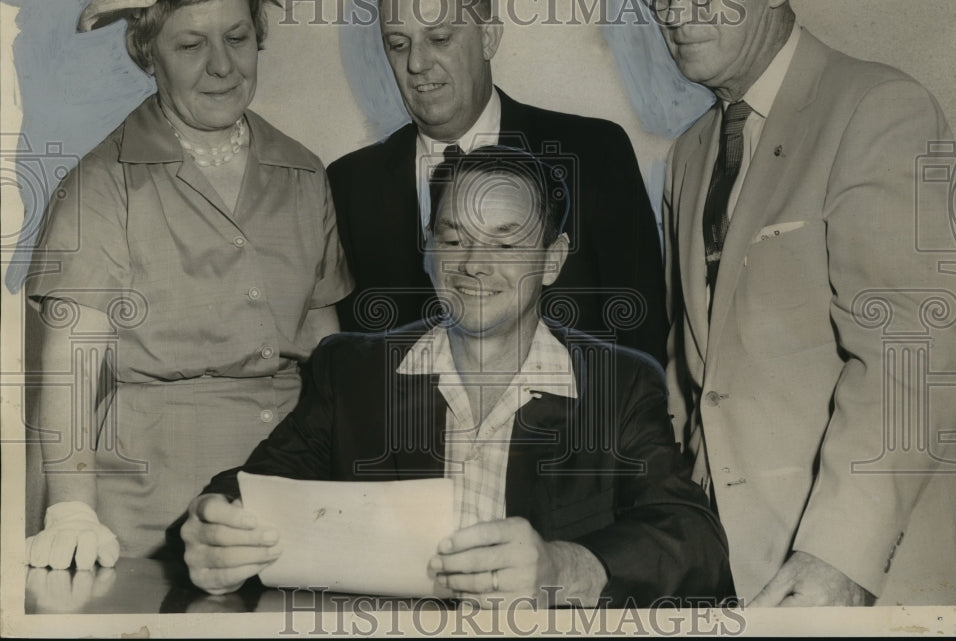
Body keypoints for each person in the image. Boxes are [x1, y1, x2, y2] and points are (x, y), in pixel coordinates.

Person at [182, 145, 734, 607]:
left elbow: (695, 539)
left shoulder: (617, 385)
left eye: (505, 242)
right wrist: (218, 528)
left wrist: (563, 567)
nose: (473, 263)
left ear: (552, 258)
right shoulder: (352, 371)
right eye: (452, 238)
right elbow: (256, 487)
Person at [630, 0, 956, 605]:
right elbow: (699, 386)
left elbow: (912, 355)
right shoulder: (689, 154)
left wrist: (840, 557)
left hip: (852, 580)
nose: (676, 12)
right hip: (726, 577)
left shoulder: (879, 109)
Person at [23, 0, 354, 567]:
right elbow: (73, 362)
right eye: (190, 44)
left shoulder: (304, 173)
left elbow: (324, 348)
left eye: (236, 37)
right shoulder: (102, 183)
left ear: (260, 39)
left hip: (286, 492)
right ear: (149, 54)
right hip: (150, 516)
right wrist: (71, 509)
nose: (221, 65)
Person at [327, 0, 667, 365]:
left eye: (439, 38)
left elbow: (642, 337)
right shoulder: (348, 185)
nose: (417, 64)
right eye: (398, 44)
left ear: (488, 37)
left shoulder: (595, 153)